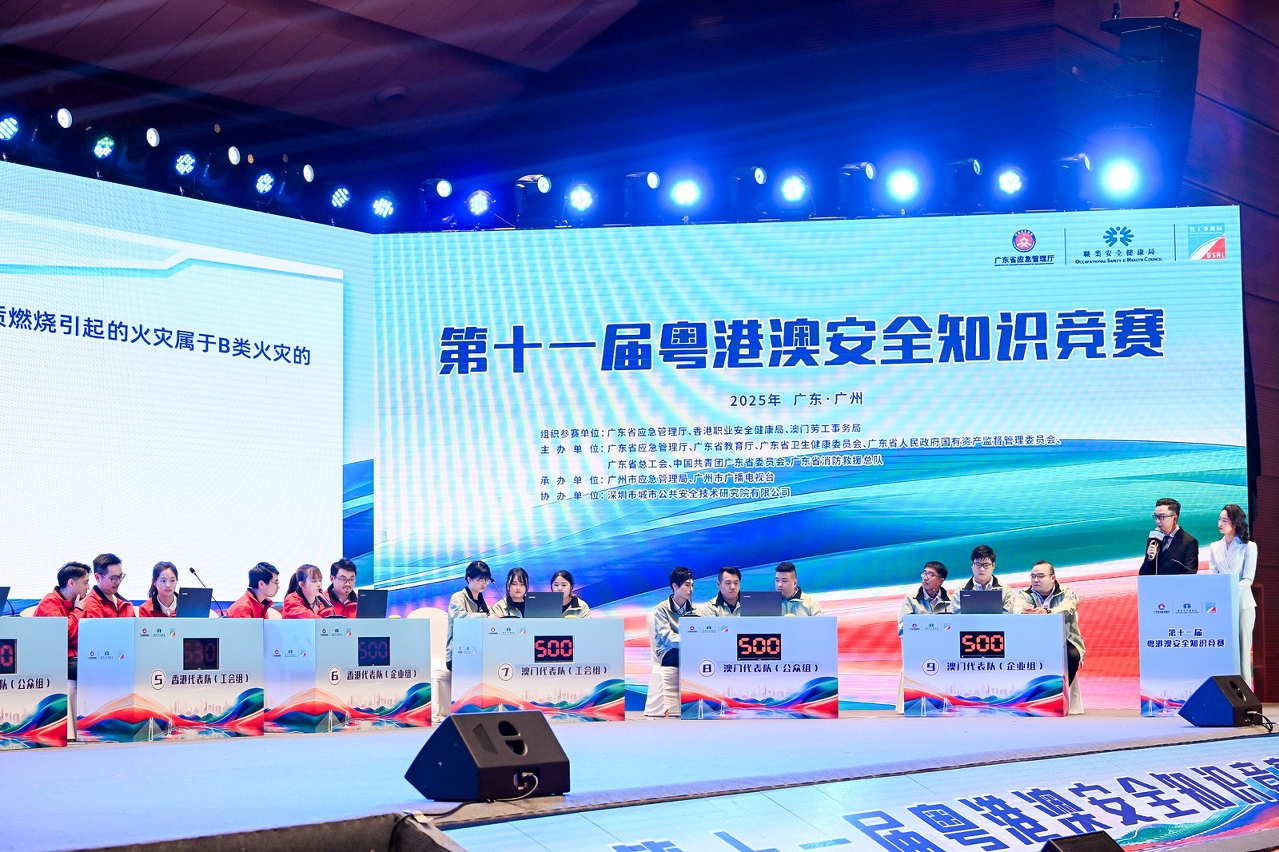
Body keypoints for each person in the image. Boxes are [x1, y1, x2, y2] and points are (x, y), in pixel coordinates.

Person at [1013, 561, 1085, 693]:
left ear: (1052, 578)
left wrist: (1047, 612)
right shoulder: (1025, 594)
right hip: (1033, 641)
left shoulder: (1067, 593)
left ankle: (1058, 694)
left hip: (1064, 640)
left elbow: (1067, 609)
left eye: (1040, 576)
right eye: (1033, 576)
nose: (1035, 580)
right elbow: (1016, 610)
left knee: (1072, 655)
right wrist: (1023, 612)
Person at [436, 560, 493, 723]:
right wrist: (485, 617)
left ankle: (484, 715)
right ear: (469, 579)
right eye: (480, 580)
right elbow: (459, 617)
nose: (484, 584)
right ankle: (464, 717)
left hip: (477, 653)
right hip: (457, 654)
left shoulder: (482, 600)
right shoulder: (458, 597)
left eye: (486, 580)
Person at [1208, 503, 1257, 686]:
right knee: (1226, 650)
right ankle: (1228, 693)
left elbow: (1248, 579)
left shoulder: (1248, 546)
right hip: (1223, 606)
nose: (1220, 523)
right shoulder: (1214, 547)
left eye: (1225, 520)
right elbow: (1213, 576)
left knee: (1243, 651)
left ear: (1235, 523)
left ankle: (1246, 694)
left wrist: (1229, 591)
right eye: (1219, 519)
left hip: (1243, 605)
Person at [644, 567, 697, 718]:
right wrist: (690, 644)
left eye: (692, 585)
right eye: (687, 585)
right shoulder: (660, 610)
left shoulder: (696, 611)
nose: (691, 589)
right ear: (675, 586)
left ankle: (702, 707)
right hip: (668, 652)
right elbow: (667, 637)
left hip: (688, 652)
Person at [35, 562, 91, 677]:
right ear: (71, 583)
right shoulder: (49, 603)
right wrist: (78, 610)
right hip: (56, 661)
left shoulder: (79, 602)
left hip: (76, 657)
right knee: (96, 670)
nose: (88, 587)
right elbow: (62, 634)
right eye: (85, 582)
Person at [1139, 497, 1199, 575]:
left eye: (1161, 517)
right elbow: (1143, 574)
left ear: (1174, 518)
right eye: (1156, 516)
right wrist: (1150, 559)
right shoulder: (1153, 540)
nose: (1157, 521)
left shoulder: (1189, 542)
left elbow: (1189, 574)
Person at [897, 561, 957, 634]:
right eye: (924, 573)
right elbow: (902, 630)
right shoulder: (911, 599)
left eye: (930, 574)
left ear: (940, 581)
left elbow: (957, 626)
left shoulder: (951, 601)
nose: (925, 578)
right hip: (919, 639)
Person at [955, 544, 1014, 612]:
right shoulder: (960, 590)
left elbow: (1008, 616)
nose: (982, 569)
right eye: (978, 565)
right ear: (972, 565)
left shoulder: (1005, 590)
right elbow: (956, 616)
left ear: (993, 565)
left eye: (986, 565)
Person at [82, 553, 135, 618]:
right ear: (97, 577)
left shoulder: (125, 604)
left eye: (120, 576)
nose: (118, 582)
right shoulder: (90, 603)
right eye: (114, 578)